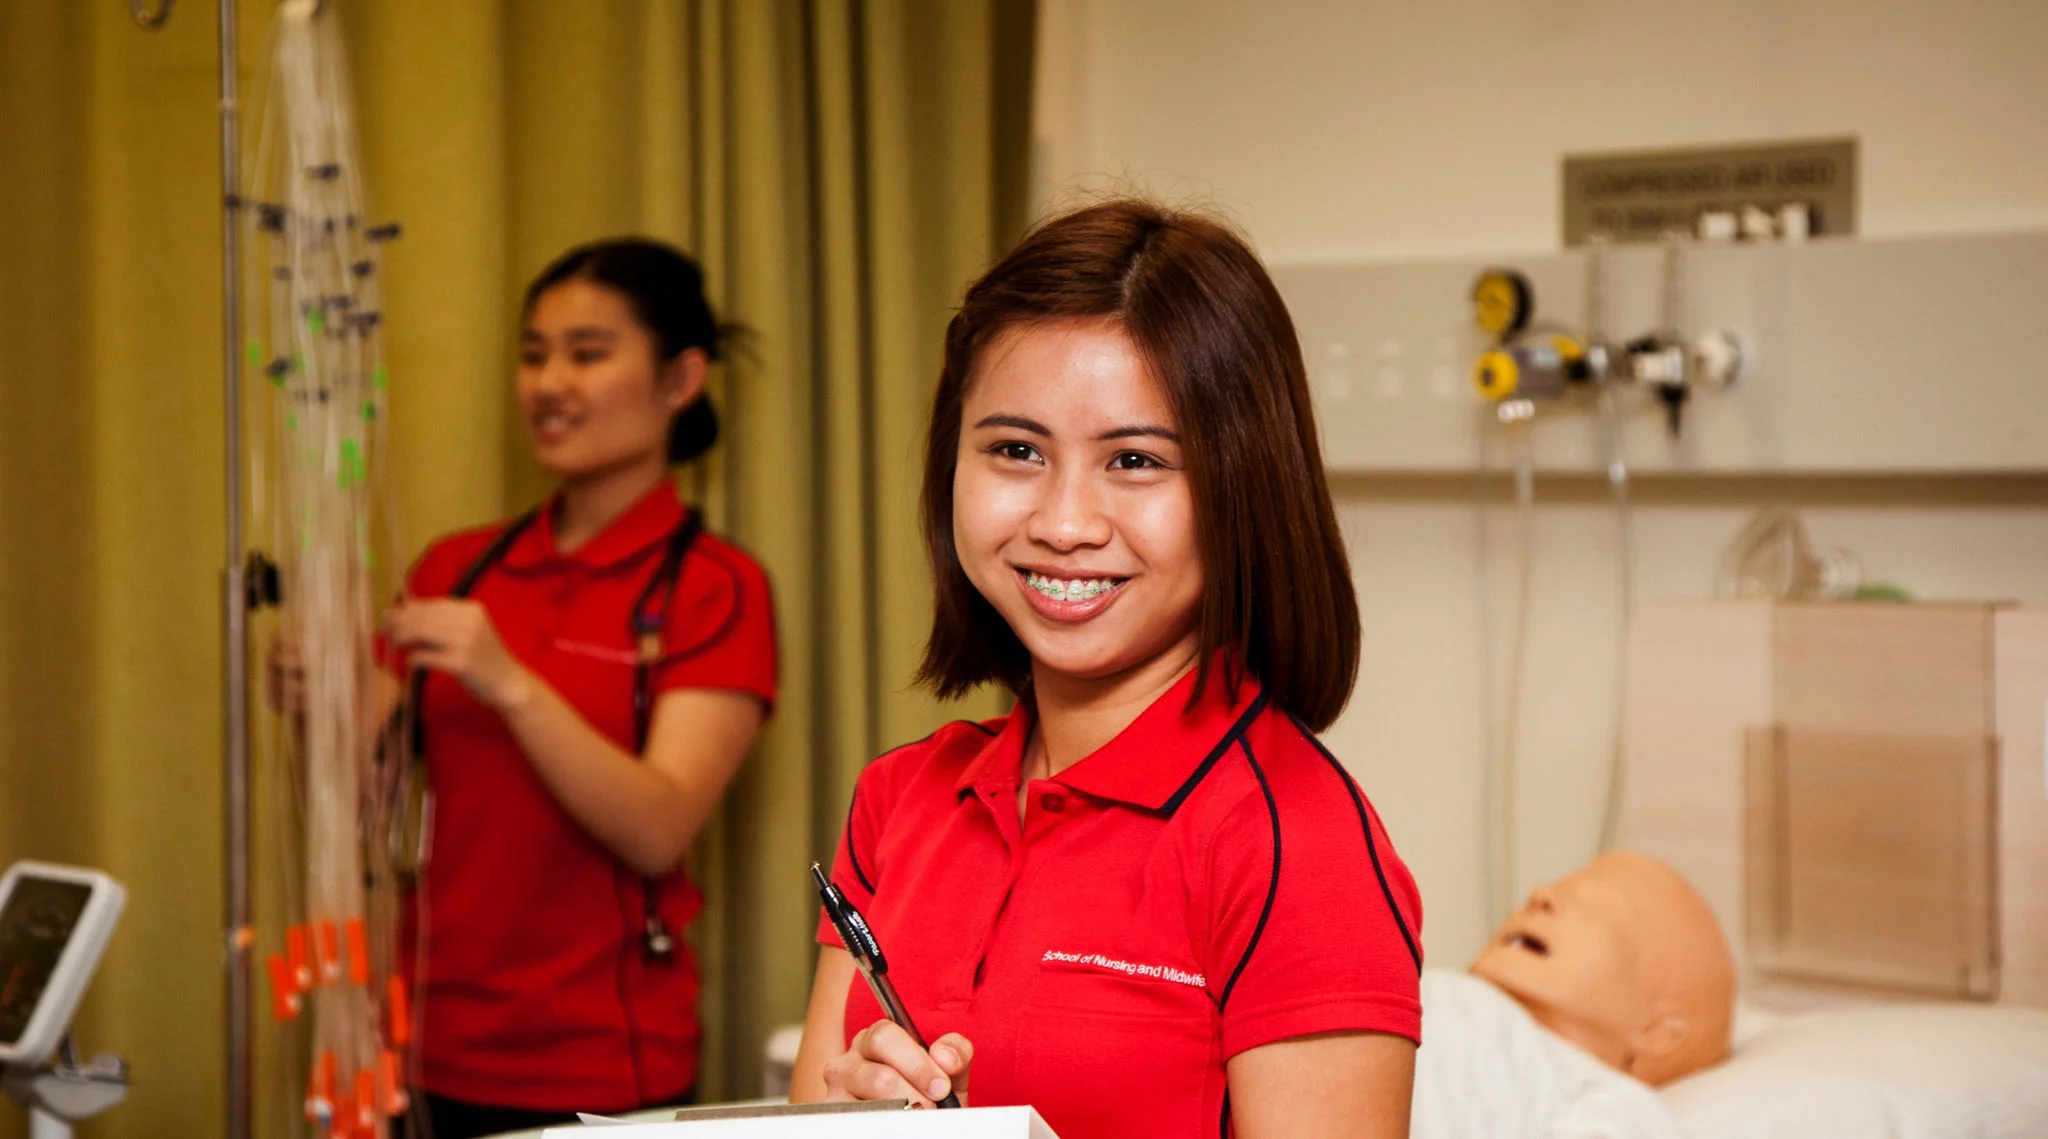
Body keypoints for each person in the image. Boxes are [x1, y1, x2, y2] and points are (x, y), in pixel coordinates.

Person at [788, 198, 1424, 1139]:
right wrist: (851, 1119)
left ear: (1242, 486)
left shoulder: (1298, 846)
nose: (1063, 522)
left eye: (1133, 459)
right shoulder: (900, 800)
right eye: (1014, 450)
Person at [268, 239, 777, 1139]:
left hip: (594, 1059)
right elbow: (357, 799)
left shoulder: (712, 586)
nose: (548, 383)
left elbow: (658, 829)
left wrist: (509, 682)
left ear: (680, 378)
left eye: (587, 353)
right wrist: (321, 699)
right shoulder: (458, 568)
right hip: (419, 1040)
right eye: (533, 353)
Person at [1410, 852, 1735, 1139]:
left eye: (1602, 906)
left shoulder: (1608, 1099)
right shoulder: (1451, 997)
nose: (1540, 895)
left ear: (1656, 1032)